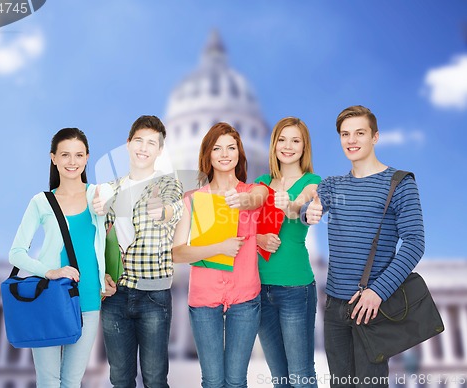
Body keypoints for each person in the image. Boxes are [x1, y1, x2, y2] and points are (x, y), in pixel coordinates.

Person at [302, 105, 425, 388]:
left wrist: (377, 292)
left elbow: (415, 243)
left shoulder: (400, 183)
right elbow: (311, 209)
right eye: (345, 134)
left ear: (375, 137)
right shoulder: (333, 184)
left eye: (359, 133)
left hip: (371, 307)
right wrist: (309, 212)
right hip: (334, 307)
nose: (351, 140)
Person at [9, 127, 116, 387]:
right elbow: (16, 253)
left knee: (72, 380)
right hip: (50, 297)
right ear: (53, 158)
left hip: (89, 297)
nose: (72, 162)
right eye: (65, 155)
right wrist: (50, 271)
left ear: (87, 158)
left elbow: (109, 240)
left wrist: (107, 276)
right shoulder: (41, 202)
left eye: (79, 155)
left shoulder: (99, 195)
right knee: (48, 380)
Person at [172, 122, 268, 388]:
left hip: (245, 295)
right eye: (217, 148)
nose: (225, 154)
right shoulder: (192, 199)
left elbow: (260, 197)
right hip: (204, 297)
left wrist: (244, 201)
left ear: (239, 153)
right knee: (213, 380)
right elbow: (177, 253)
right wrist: (219, 248)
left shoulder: (252, 192)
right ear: (208, 154)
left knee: (236, 380)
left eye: (231, 147)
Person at [99, 115, 183, 388]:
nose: (144, 148)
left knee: (155, 379)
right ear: (128, 144)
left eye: (152, 143)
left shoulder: (168, 184)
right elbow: (99, 238)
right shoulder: (110, 189)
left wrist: (164, 210)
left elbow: (173, 207)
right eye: (139, 140)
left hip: (153, 296)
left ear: (159, 151)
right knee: (120, 379)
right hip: (115, 296)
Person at [255, 117, 321, 388]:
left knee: (301, 376)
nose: (288, 146)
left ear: (305, 147)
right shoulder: (260, 182)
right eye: (282, 139)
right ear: (273, 145)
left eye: (295, 140)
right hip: (259, 288)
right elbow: (245, 228)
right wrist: (259, 237)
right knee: (280, 379)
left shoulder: (312, 182)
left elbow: (300, 209)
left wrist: (289, 205)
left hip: (296, 288)